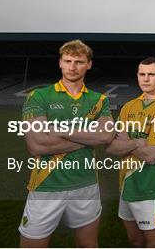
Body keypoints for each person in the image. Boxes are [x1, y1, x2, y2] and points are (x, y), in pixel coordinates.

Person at [19, 40, 114, 247]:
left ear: (88, 64)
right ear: (60, 63)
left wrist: (60, 130)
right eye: (67, 61)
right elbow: (37, 145)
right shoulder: (38, 96)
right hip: (47, 185)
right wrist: (89, 138)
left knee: (88, 245)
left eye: (79, 62)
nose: (72, 67)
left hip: (86, 184)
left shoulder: (99, 100)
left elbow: (106, 136)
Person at [106, 57, 155, 247]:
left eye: (151, 74)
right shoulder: (129, 106)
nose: (145, 79)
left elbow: (152, 156)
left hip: (154, 185)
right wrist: (137, 142)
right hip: (127, 184)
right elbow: (110, 147)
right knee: (135, 240)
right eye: (142, 74)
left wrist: (126, 141)